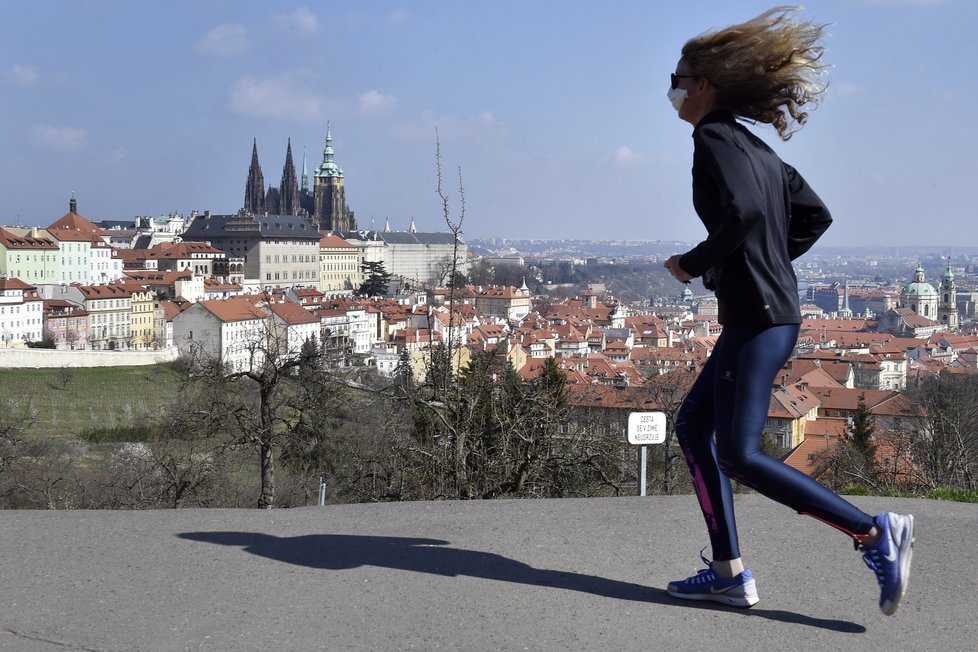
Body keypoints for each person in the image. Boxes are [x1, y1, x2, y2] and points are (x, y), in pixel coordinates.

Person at [661, 6, 914, 615]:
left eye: (677, 78)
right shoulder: (759, 149)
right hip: (767, 311)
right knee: (694, 429)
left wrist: (696, 263)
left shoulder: (715, 138)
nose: (671, 91)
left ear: (705, 85)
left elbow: (743, 213)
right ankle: (727, 572)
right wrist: (768, 259)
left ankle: (875, 533)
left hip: (757, 316)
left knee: (740, 454)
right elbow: (814, 215)